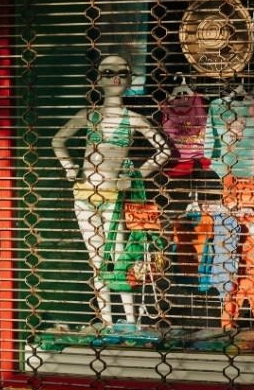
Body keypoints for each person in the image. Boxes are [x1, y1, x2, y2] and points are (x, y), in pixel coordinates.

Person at [52, 56, 172, 326]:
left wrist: (136, 174)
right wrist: (69, 166)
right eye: (108, 72)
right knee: (97, 260)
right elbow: (58, 140)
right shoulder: (88, 115)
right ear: (98, 79)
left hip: (113, 198)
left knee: (119, 259)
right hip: (84, 195)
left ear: (130, 79)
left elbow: (163, 150)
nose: (115, 78)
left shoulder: (135, 120)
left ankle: (131, 322)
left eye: (122, 73)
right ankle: (107, 322)